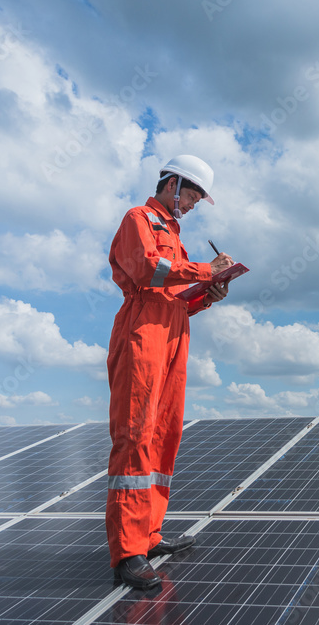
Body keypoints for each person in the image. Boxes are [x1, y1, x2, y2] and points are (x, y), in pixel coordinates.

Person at [105, 154, 234, 590]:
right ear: (173, 184)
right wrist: (204, 269)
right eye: (195, 193)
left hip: (172, 333)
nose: (197, 202)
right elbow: (146, 268)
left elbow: (177, 297)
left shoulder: (174, 236)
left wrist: (208, 294)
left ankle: (149, 535)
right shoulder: (138, 218)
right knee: (136, 436)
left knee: (164, 435)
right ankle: (127, 552)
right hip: (142, 333)